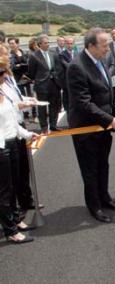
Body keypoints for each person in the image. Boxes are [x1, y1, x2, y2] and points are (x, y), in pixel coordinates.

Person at [67, 28, 115, 223]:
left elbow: (107, 92)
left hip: (103, 127)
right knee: (90, 168)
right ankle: (94, 206)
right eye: (104, 45)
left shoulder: (100, 61)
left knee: (103, 164)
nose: (108, 48)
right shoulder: (77, 67)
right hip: (87, 129)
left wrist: (112, 116)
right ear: (91, 45)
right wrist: (110, 119)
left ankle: (105, 197)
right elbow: (84, 103)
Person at [0, 63, 39, 244]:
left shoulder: (3, 95)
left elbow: (13, 121)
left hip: (13, 143)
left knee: (14, 185)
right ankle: (10, 230)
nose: (3, 77)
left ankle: (16, 220)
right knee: (4, 191)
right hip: (1, 148)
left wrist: (27, 134)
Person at [28, 34, 64, 133]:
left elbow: (58, 68)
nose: (48, 44)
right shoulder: (34, 56)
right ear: (40, 44)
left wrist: (57, 78)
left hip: (54, 84)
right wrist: (39, 79)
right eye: (45, 43)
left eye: (48, 42)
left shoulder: (53, 53)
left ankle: (53, 125)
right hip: (42, 85)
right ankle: (44, 127)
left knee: (54, 106)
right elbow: (31, 72)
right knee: (42, 107)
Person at [8, 37, 36, 121]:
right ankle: (26, 115)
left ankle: (34, 114)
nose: (11, 45)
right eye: (10, 44)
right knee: (21, 96)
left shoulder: (23, 53)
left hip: (26, 77)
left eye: (13, 43)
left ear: (17, 44)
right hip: (17, 79)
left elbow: (28, 64)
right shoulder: (10, 55)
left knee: (30, 95)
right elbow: (12, 67)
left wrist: (20, 66)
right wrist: (21, 66)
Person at [59, 37, 77, 117]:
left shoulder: (78, 53)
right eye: (68, 43)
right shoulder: (62, 54)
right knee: (68, 102)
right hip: (67, 82)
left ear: (74, 44)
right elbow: (67, 65)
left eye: (71, 43)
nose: (70, 45)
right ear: (65, 44)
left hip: (77, 81)